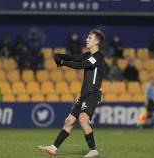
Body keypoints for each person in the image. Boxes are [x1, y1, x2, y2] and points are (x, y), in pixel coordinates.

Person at [38, 29, 105, 158]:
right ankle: (53, 148)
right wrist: (59, 55)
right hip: (84, 94)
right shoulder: (88, 55)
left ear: (96, 42)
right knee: (69, 121)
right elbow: (74, 58)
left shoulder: (98, 57)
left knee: (83, 119)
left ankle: (93, 150)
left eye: (90, 37)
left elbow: (81, 65)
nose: (87, 39)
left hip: (93, 94)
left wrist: (63, 63)